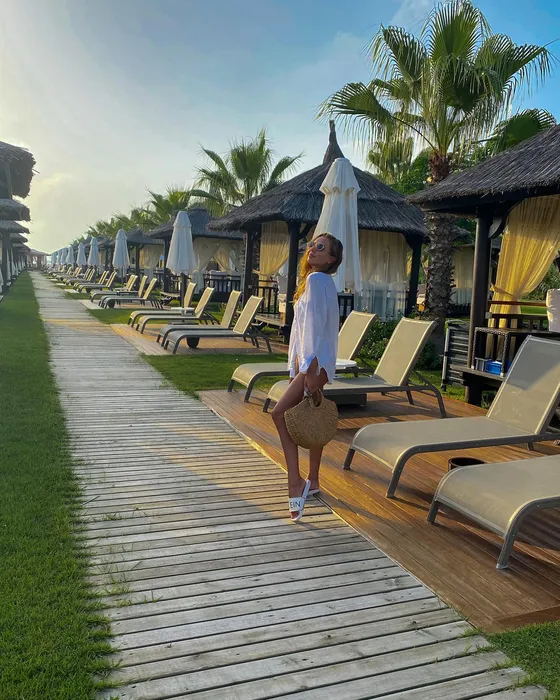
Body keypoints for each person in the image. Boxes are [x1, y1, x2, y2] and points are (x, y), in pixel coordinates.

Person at [271, 233, 344, 522]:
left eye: (321, 247)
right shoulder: (321, 282)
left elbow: (314, 326)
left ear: (331, 259)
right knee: (314, 415)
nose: (313, 249)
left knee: (279, 414)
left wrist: (309, 367)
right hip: (316, 362)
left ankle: (295, 482)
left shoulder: (316, 280)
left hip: (314, 363)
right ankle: (313, 480)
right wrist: (302, 363)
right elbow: (308, 327)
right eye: (313, 244)